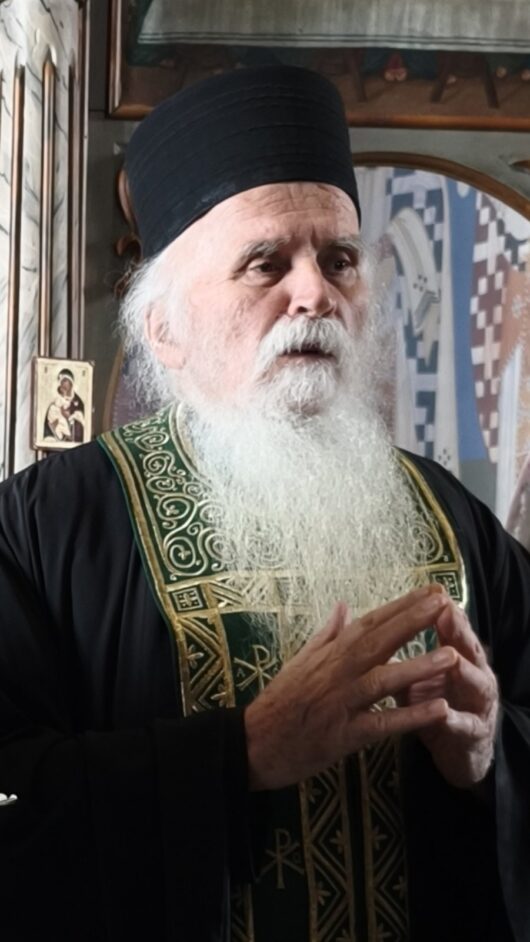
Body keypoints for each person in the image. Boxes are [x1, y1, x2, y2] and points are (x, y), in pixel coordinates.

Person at [0, 66, 528, 942]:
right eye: (266, 263)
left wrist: (490, 758)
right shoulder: (43, 529)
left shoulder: (450, 516)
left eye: (340, 261)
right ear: (164, 329)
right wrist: (240, 753)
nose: (316, 292)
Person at [43, 368, 85, 443]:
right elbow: (49, 424)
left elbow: (82, 424)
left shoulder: (78, 403)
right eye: (61, 382)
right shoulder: (55, 403)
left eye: (65, 381)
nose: (62, 384)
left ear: (71, 383)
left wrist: (68, 417)